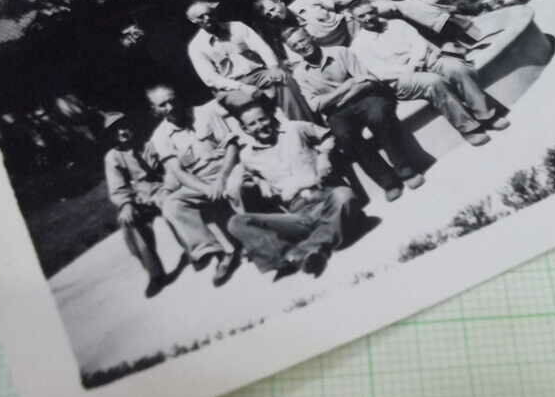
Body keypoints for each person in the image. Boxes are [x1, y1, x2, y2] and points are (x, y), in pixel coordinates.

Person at [283, 26, 424, 202]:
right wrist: (346, 86)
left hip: (367, 98)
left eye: (302, 40)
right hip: (339, 112)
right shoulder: (300, 73)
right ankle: (388, 182)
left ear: (311, 37)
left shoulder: (340, 52)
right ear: (292, 51)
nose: (302, 46)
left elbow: (365, 81)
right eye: (295, 46)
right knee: (344, 136)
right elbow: (315, 105)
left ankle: (405, 169)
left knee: (379, 117)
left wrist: (337, 97)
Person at [227, 101, 363, 279]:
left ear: (271, 117)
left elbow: (328, 135)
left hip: (325, 197)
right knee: (236, 222)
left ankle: (302, 252)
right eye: (252, 123)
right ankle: (293, 253)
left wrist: (323, 156)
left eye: (263, 119)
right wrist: (259, 181)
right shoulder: (247, 156)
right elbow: (243, 178)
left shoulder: (295, 129)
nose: (260, 126)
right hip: (297, 215)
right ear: (245, 129)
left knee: (344, 195)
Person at [348, 0, 509, 147]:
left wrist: (416, 62)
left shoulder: (397, 25)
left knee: (456, 69)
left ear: (376, 11)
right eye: (362, 16)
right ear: (356, 20)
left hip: (424, 61)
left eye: (371, 12)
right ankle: (468, 128)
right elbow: (380, 71)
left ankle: (487, 115)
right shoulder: (359, 45)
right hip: (400, 79)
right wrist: (409, 70)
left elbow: (418, 44)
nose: (368, 17)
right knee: (433, 82)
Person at [145, 85, 240, 287]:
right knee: (172, 205)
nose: (170, 107)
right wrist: (207, 189)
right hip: (198, 181)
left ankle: (256, 240)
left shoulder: (205, 113)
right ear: (154, 110)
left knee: (236, 186)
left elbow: (231, 146)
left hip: (228, 168)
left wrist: (222, 178)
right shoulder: (160, 136)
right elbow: (178, 172)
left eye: (172, 100)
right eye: (163, 105)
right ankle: (211, 251)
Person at [185, 0, 313, 121]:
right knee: (246, 103)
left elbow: (261, 47)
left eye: (210, 14)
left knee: (284, 79)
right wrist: (242, 87)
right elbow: (211, 79)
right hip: (232, 86)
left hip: (259, 74)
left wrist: (273, 67)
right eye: (201, 17)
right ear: (193, 21)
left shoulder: (237, 27)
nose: (207, 18)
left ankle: (304, 127)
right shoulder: (196, 47)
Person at [254, 0, 490, 51]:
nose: (273, 15)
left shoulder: (305, 1)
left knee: (398, 5)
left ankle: (460, 33)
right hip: (354, 42)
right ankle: (458, 17)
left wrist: (375, 0)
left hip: (355, 18)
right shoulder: (291, 34)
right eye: (268, 16)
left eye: (273, 9)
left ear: (280, 2)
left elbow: (341, 1)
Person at [102, 112, 173, 298]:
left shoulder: (149, 144)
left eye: (124, 127)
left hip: (160, 188)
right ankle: (155, 274)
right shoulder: (113, 157)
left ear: (131, 126)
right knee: (128, 222)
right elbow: (117, 187)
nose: (122, 132)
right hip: (138, 198)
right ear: (111, 136)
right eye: (115, 131)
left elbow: (168, 168)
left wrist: (168, 185)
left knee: (174, 206)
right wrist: (126, 205)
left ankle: (201, 249)